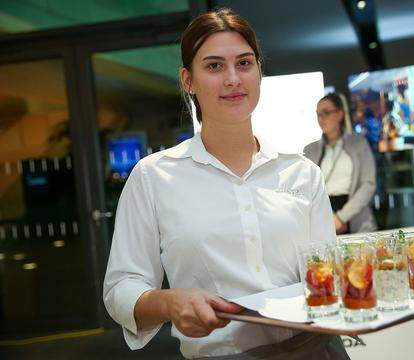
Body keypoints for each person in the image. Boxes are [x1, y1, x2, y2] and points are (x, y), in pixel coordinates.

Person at [103, 8, 349, 359]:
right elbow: (121, 287)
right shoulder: (153, 176)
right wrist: (169, 302)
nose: (233, 78)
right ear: (188, 80)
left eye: (245, 63)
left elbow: (329, 275)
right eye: (214, 66)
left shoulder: (302, 173)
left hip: (316, 350)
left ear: (259, 72)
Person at [304, 93, 377, 234]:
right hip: (322, 218)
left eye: (326, 112)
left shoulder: (358, 143)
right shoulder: (310, 150)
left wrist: (341, 218)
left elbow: (368, 184)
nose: (321, 118)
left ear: (340, 114)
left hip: (355, 218)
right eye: (318, 114)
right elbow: (307, 190)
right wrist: (328, 219)